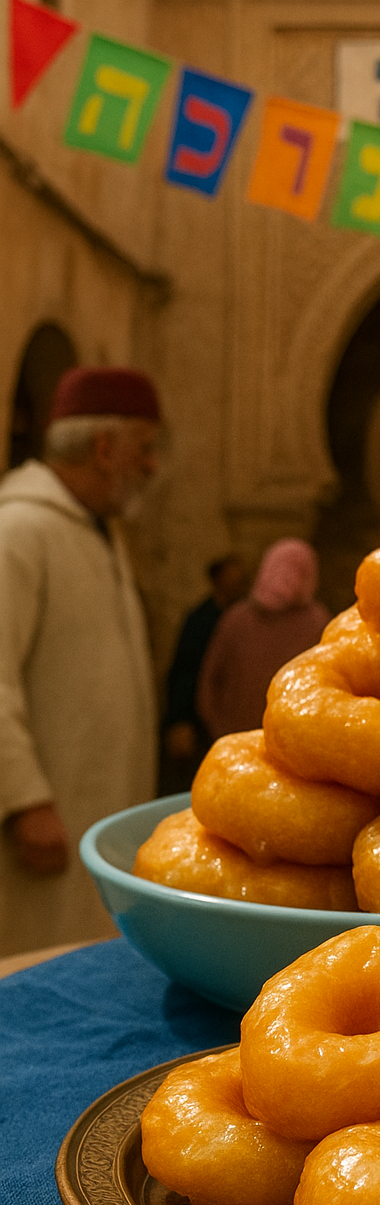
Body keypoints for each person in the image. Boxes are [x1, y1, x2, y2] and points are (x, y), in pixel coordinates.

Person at [0, 366, 161, 957]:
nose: (151, 465)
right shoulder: (19, 530)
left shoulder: (99, 532)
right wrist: (25, 799)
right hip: (46, 822)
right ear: (102, 447)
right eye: (144, 448)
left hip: (95, 811)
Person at [197, 538, 329, 740]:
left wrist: (219, 731)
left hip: (237, 741)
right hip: (289, 743)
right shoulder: (318, 622)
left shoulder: (237, 617)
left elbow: (208, 683)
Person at [161, 554, 247, 791]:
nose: (236, 583)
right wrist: (179, 720)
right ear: (217, 579)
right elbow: (185, 669)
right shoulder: (199, 619)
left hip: (225, 718)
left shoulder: (241, 616)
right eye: (231, 577)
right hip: (198, 718)